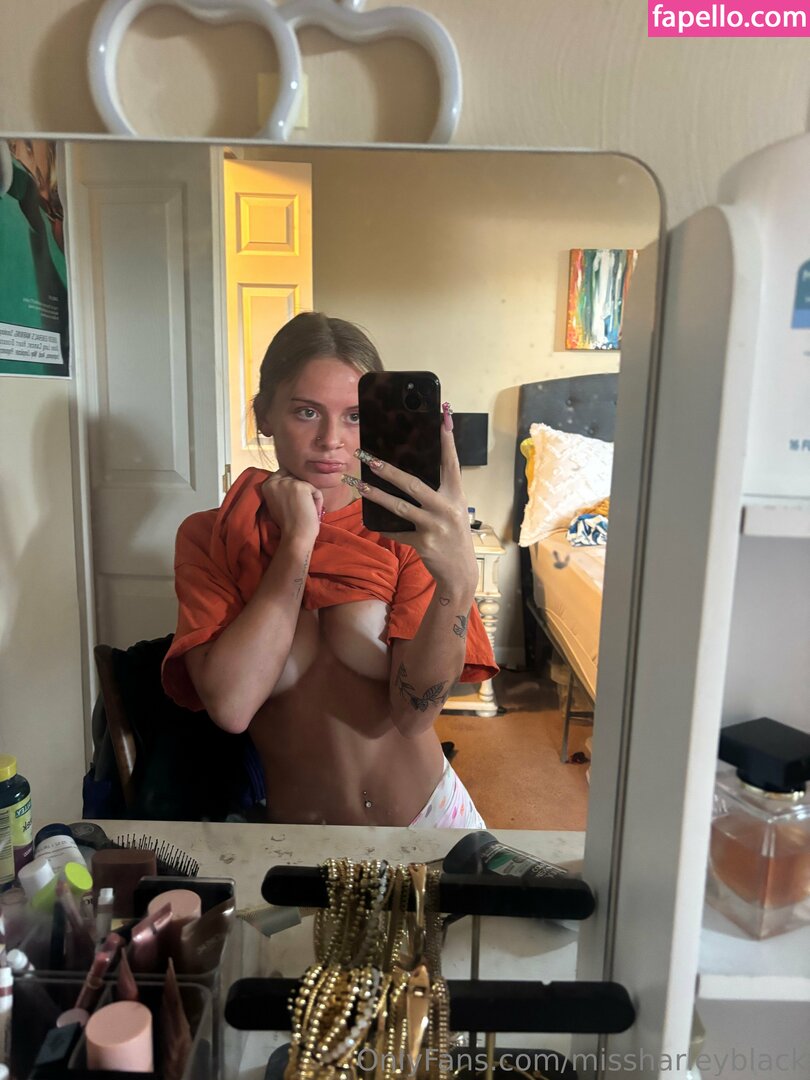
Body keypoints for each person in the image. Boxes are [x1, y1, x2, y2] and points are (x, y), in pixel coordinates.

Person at [162, 312, 498, 827]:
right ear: (264, 414)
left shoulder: (407, 535)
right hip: (299, 842)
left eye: (355, 416)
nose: (331, 440)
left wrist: (458, 581)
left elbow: (414, 715)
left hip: (429, 822)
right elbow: (232, 707)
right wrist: (298, 542)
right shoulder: (215, 536)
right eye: (306, 412)